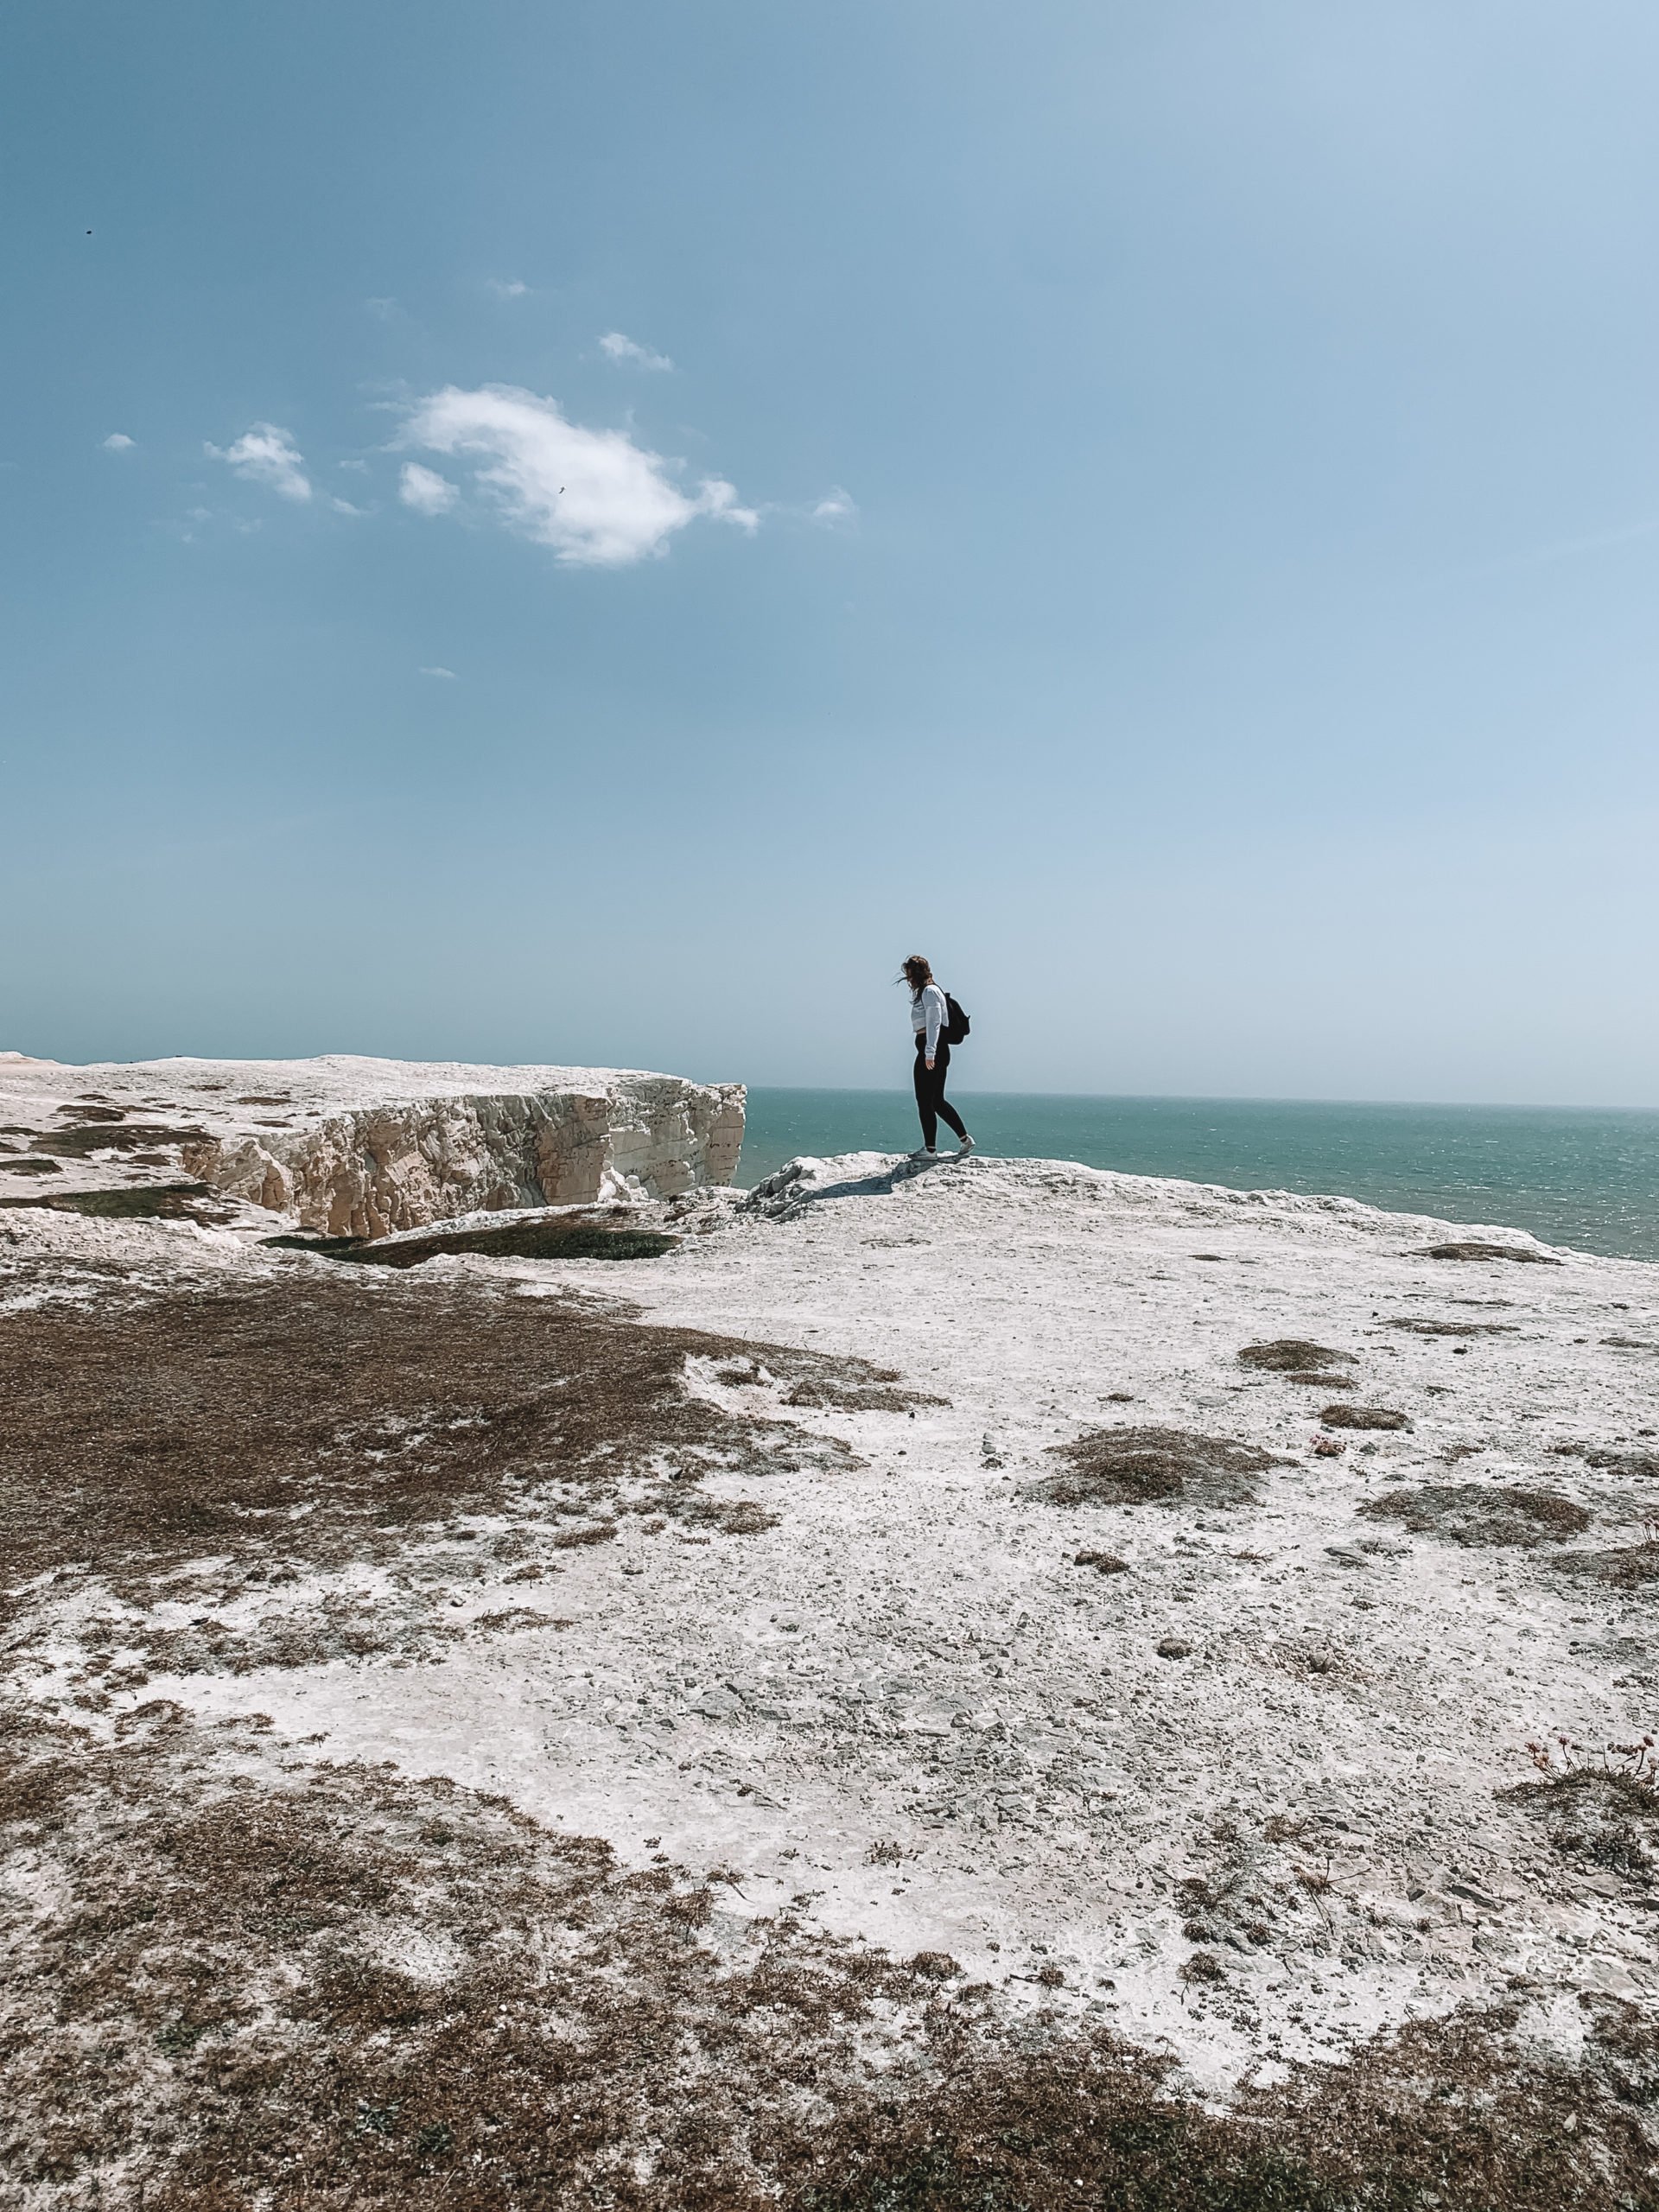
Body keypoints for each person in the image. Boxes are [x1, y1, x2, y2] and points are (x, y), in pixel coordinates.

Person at [900, 953, 973, 1160]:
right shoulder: (926, 992)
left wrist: (929, 1052)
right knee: (936, 1100)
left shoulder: (930, 992)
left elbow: (934, 1022)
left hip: (932, 1048)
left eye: (909, 974)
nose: (907, 979)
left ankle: (930, 1149)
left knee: (925, 1100)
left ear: (916, 973)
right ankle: (965, 1139)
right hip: (932, 1048)